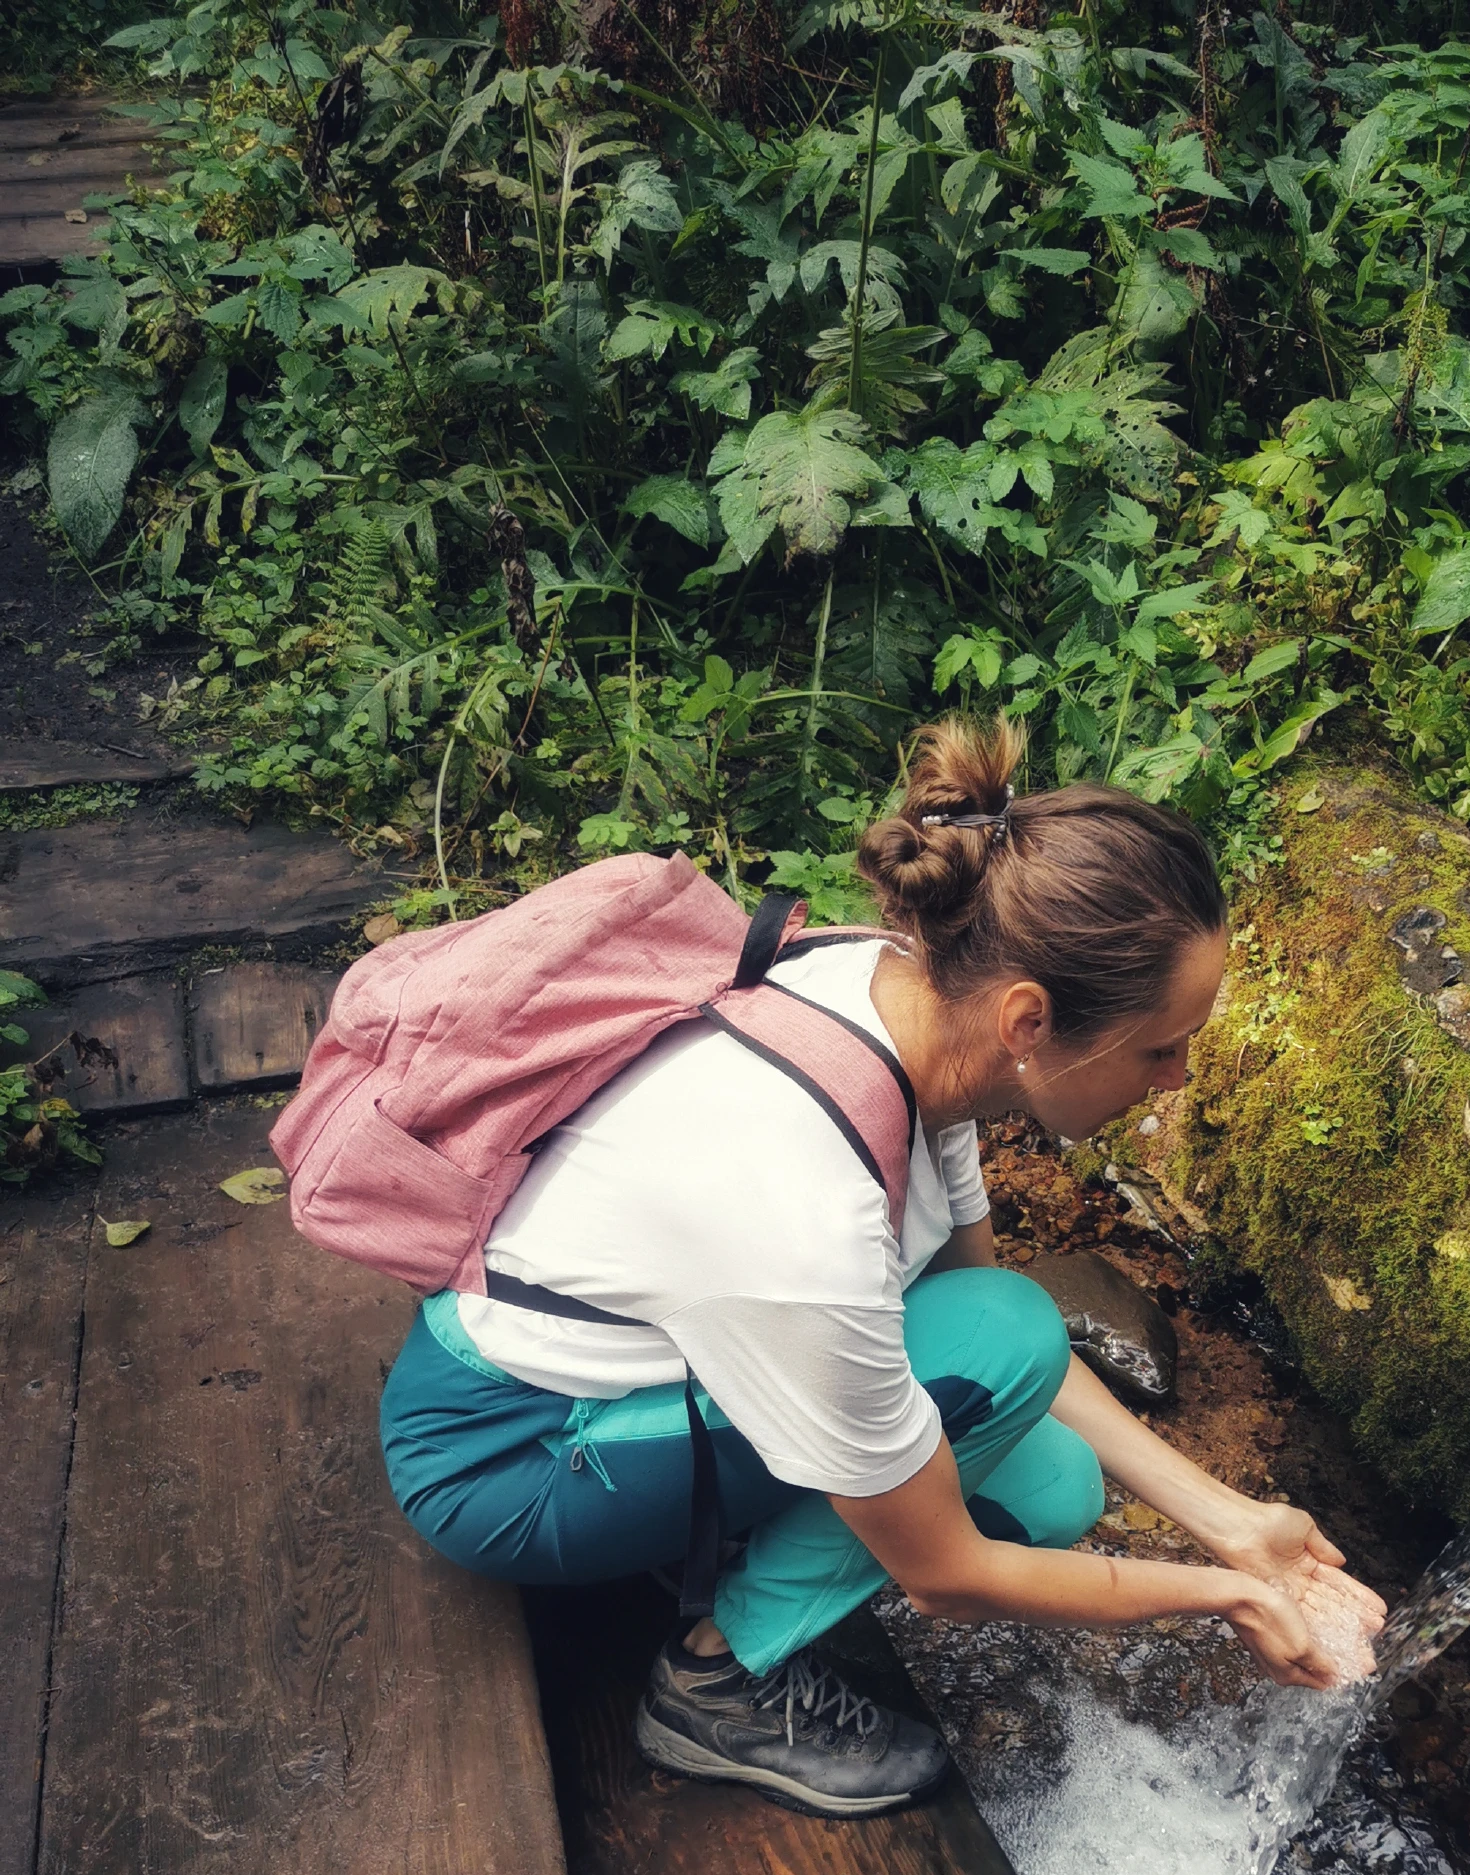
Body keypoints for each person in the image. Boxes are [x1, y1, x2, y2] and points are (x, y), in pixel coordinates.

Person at [378, 718, 1386, 1817]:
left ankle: (727, 1542)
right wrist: (1224, 1596)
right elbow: (946, 1569)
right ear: (1029, 1020)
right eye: (1160, 1045)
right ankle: (713, 1686)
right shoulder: (799, 1207)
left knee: (1050, 1486)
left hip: (635, 1391)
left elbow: (965, 1339)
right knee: (1000, 1355)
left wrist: (1224, 1513)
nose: (1178, 1079)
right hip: (508, 1461)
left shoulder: (911, 1007)